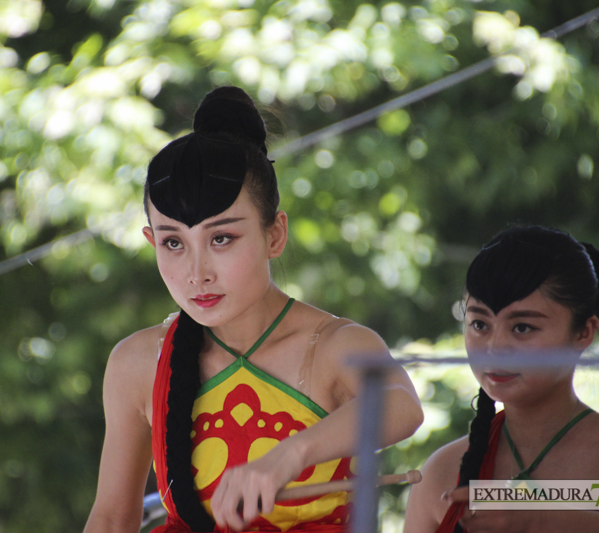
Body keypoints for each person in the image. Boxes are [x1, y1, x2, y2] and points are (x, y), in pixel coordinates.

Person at [83, 86, 424, 533]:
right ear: (152, 243)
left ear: (274, 235)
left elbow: (401, 406)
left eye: (221, 238)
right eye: (173, 243)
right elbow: (111, 519)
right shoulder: (137, 363)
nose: (196, 272)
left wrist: (288, 455)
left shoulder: (335, 346)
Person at [403, 225, 599, 533]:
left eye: (523, 327)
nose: (494, 348)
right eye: (478, 323)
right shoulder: (443, 473)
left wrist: (539, 519)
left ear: (584, 332)